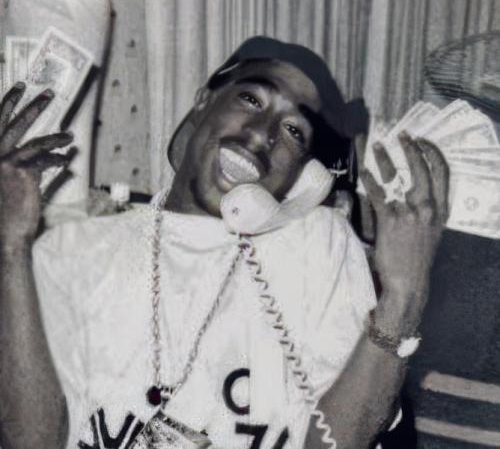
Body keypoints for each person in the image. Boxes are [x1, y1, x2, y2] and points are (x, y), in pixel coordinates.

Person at [0, 37, 449, 448]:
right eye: (251, 99)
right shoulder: (78, 250)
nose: (262, 133)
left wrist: (405, 296)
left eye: (294, 131)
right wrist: (9, 247)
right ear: (203, 103)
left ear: (303, 176)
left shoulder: (319, 244)